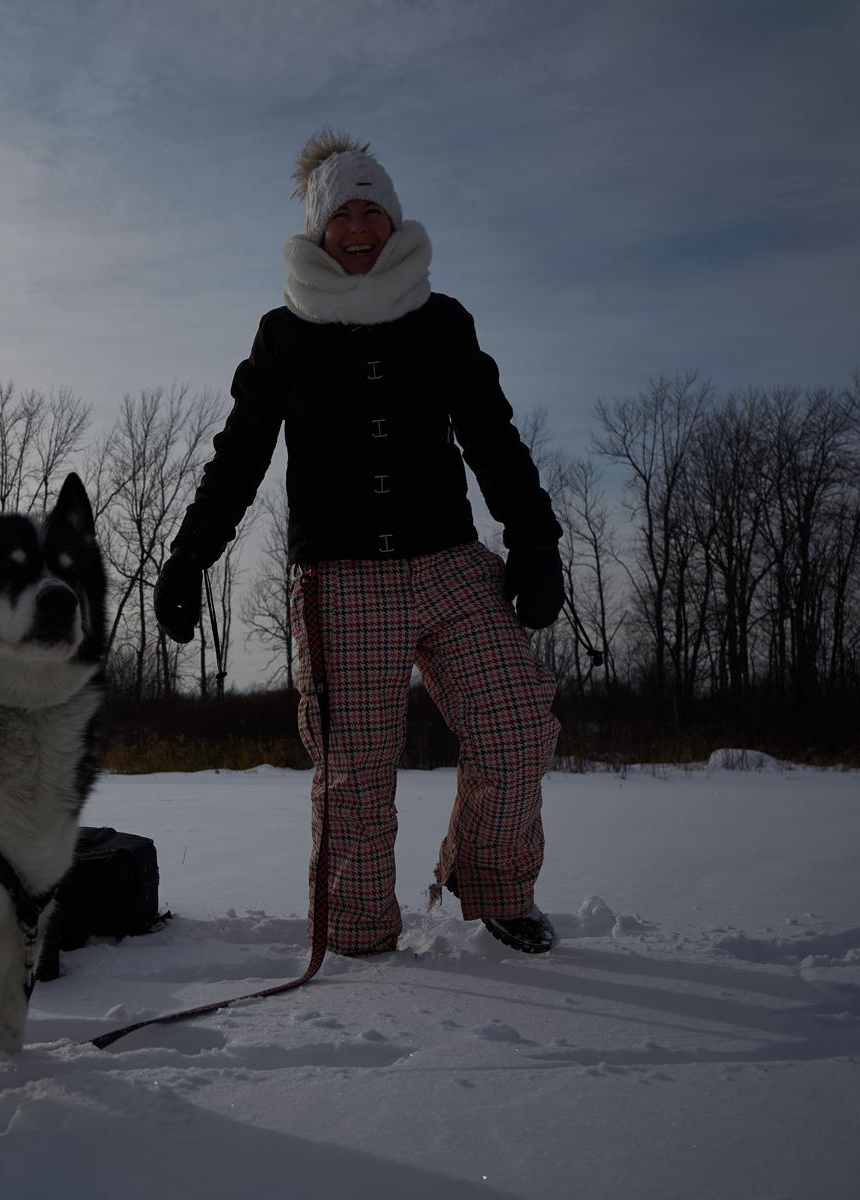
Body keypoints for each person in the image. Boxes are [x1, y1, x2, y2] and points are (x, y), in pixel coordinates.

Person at [154, 130, 565, 956]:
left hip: (449, 563)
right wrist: (190, 555)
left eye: (372, 211)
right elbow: (239, 455)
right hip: (342, 582)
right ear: (318, 230)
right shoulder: (284, 333)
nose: (358, 228)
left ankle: (493, 885)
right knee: (357, 776)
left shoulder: (440, 322)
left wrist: (534, 538)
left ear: (395, 221)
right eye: (341, 214)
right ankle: (359, 937)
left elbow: (492, 436)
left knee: (518, 726)